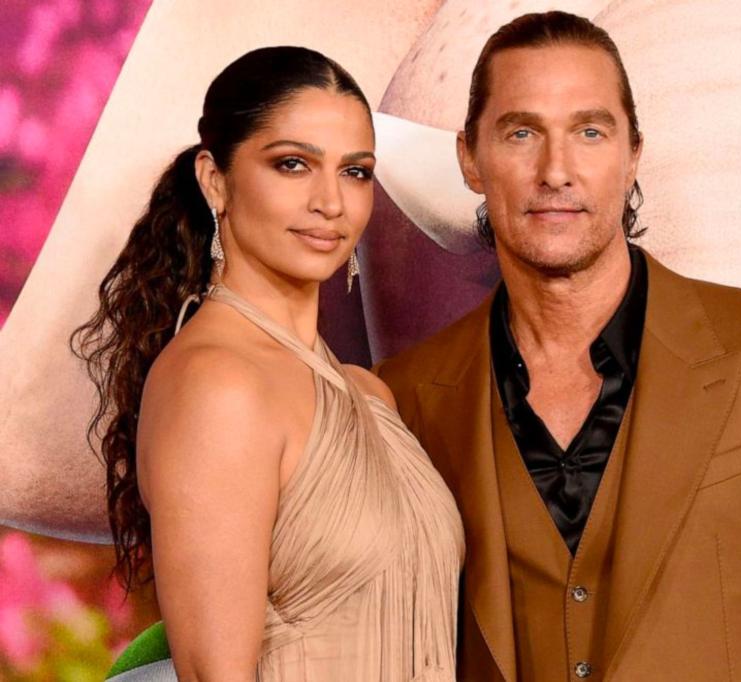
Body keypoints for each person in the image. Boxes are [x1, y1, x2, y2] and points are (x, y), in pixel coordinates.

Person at [376, 11, 741, 681]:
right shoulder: (406, 394)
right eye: (521, 133)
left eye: (590, 132)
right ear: (470, 160)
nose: (556, 170)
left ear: (632, 155)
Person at [70, 46, 463, 680]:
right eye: (292, 165)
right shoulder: (215, 384)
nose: (331, 202)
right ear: (214, 179)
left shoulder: (367, 393)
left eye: (356, 172)